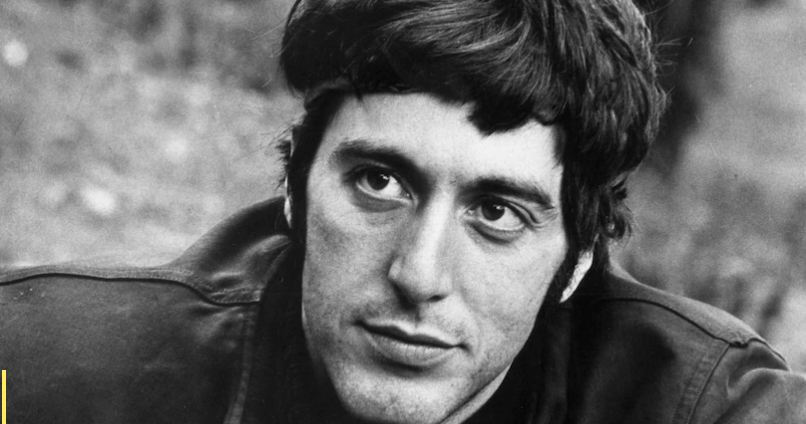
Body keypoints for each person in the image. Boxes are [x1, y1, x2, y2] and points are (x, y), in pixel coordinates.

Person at [1, 0, 805, 423]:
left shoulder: (700, 406)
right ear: (295, 189)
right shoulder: (48, 364)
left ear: (580, 260)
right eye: (380, 183)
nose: (419, 275)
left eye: (497, 212)